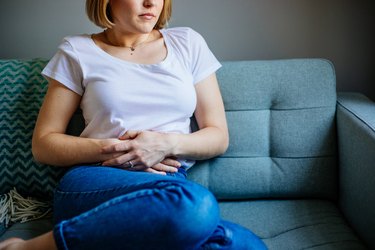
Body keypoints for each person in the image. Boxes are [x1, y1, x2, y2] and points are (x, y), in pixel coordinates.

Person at [0, 0, 267, 249]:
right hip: (94, 180)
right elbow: (44, 144)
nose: (151, 2)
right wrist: (122, 149)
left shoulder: (188, 42)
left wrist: (163, 144)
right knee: (196, 206)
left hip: (169, 184)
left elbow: (218, 136)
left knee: (246, 244)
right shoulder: (77, 51)